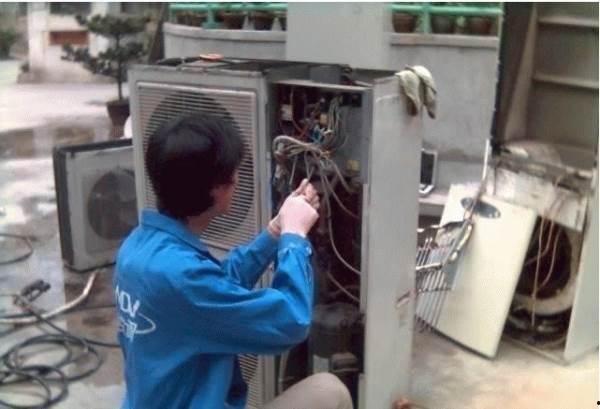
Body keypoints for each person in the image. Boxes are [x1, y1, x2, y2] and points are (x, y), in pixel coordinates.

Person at [113, 113, 353, 409]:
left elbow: (214, 289)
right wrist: (294, 238)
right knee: (331, 391)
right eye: (235, 173)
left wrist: (274, 233)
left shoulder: (138, 248)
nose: (238, 179)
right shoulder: (183, 278)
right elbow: (292, 322)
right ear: (216, 188)